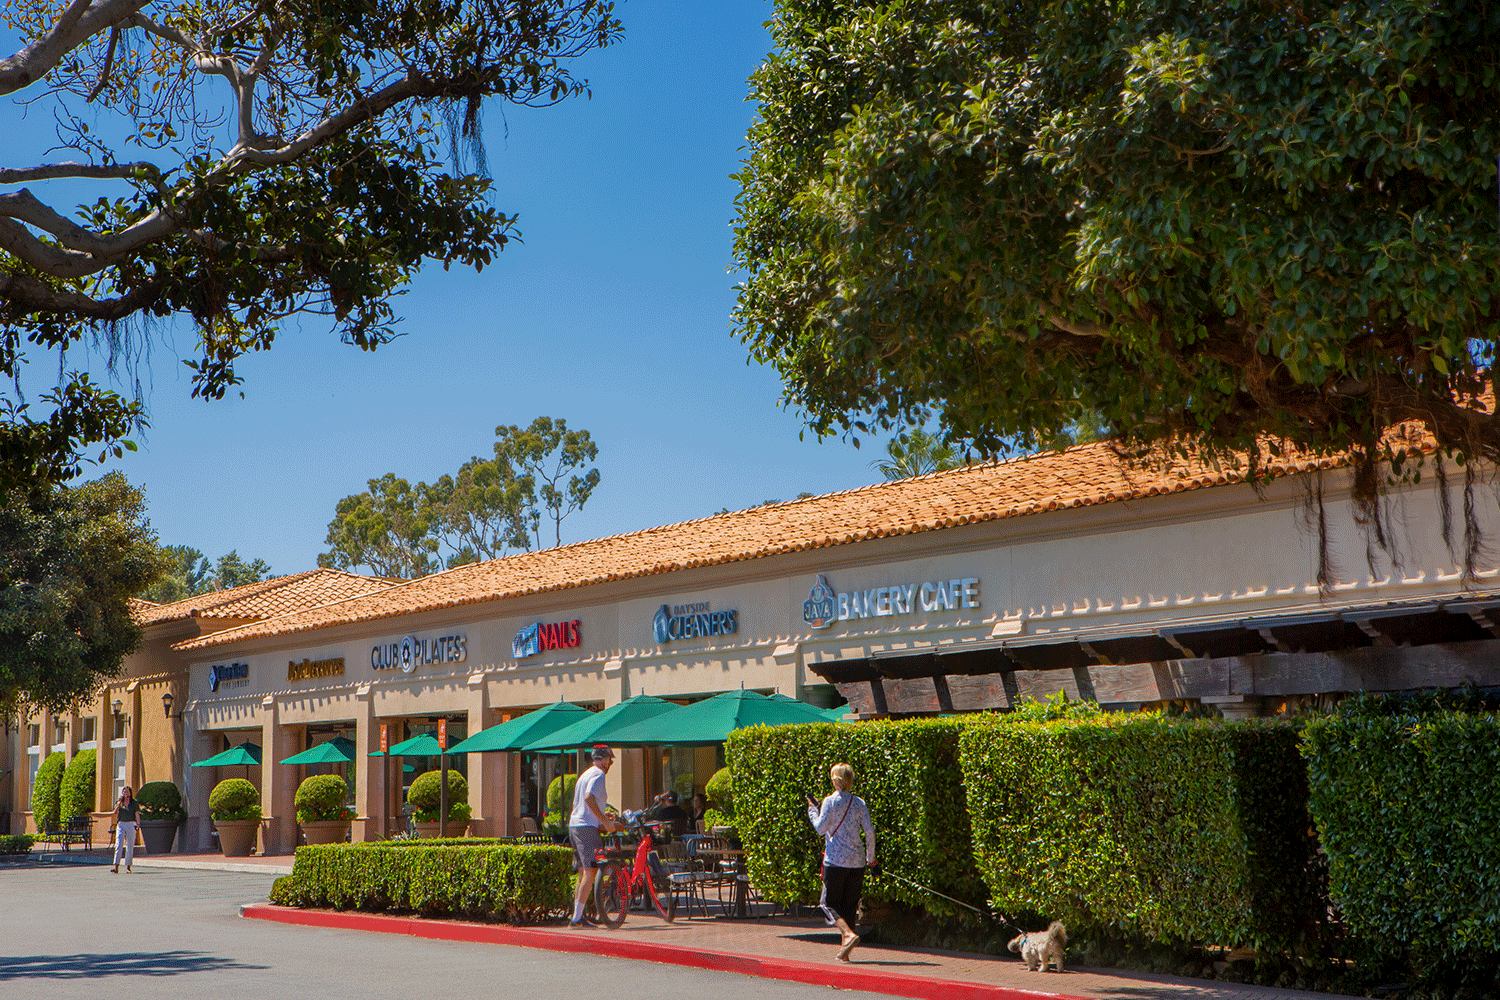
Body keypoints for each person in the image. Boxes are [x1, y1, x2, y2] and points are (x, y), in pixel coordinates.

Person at [807, 763, 876, 962]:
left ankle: (848, 935)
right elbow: (869, 832)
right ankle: (845, 953)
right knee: (849, 906)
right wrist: (871, 859)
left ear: (836, 780)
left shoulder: (830, 801)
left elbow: (820, 829)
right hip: (857, 862)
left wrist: (813, 810)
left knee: (827, 904)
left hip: (835, 861)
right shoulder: (859, 802)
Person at [568, 745, 622, 927]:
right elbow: (589, 798)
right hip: (585, 828)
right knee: (591, 871)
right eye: (609, 761)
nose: (610, 765)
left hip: (575, 826)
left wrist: (602, 820)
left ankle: (578, 916)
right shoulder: (598, 774)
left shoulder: (585, 774)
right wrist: (605, 822)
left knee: (584, 872)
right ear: (604, 759)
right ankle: (576, 919)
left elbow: (579, 805)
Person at [111, 786, 140, 874]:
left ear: (130, 793)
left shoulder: (134, 803)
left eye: (127, 792)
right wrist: (120, 801)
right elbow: (115, 812)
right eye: (124, 792)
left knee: (130, 845)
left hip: (131, 823)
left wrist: (138, 824)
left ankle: (128, 866)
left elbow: (137, 814)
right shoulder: (120, 802)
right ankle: (116, 865)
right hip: (121, 824)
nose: (126, 793)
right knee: (118, 844)